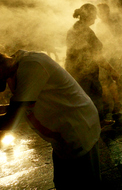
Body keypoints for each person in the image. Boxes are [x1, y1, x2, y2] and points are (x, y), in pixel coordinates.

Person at [0, 50, 101, 189]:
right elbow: (20, 105)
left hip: (76, 128)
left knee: (84, 183)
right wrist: (5, 108)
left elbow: (11, 120)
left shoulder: (32, 66)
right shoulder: (15, 67)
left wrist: (9, 111)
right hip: (60, 134)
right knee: (63, 183)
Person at [65, 3, 122, 126]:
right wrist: (112, 70)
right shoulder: (86, 32)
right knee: (92, 97)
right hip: (86, 73)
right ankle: (94, 124)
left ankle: (97, 122)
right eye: (94, 15)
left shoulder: (74, 28)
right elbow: (97, 56)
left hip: (74, 70)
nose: (96, 18)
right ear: (89, 16)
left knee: (82, 98)